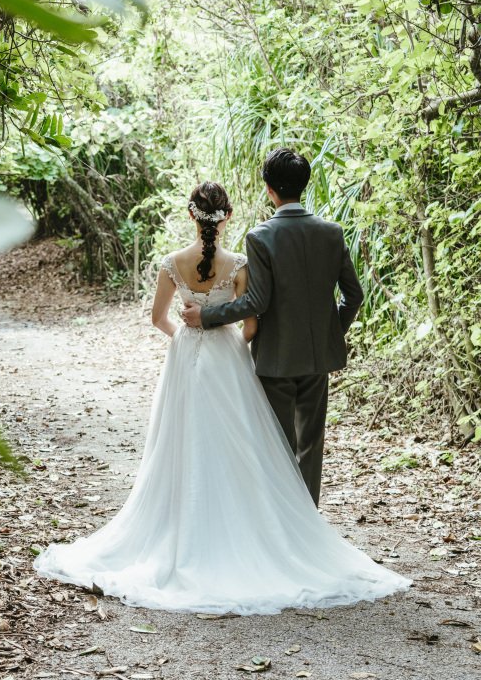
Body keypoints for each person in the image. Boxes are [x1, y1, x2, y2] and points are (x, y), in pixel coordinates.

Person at [34, 179, 409, 615]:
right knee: (252, 446)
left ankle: (195, 523)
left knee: (181, 443)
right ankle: (285, 526)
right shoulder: (240, 262)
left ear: (191, 215)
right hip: (233, 357)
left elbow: (159, 318)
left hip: (186, 359)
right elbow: (252, 323)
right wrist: (228, 345)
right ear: (227, 216)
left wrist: (187, 339)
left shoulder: (172, 263)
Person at [181, 147, 363, 507]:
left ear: (269, 188)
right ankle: (308, 521)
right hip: (318, 359)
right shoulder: (332, 232)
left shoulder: (260, 236)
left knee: (278, 446)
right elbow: (353, 296)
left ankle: (282, 520)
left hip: (276, 359)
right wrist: (329, 334)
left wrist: (207, 316)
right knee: (311, 445)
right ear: (303, 185)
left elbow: (256, 302)